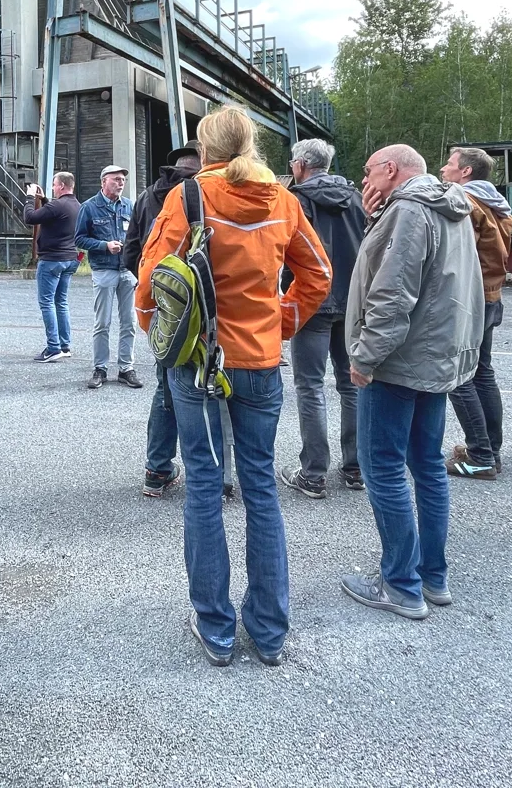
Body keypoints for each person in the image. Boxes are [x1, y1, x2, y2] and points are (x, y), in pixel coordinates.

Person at [137, 106, 330, 666]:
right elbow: (317, 273)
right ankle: (269, 632)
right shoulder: (283, 199)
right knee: (262, 488)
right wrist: (281, 320)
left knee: (202, 483)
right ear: (250, 145)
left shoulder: (188, 197)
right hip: (260, 361)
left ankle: (217, 628)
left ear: (206, 147)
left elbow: (150, 280)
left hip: (197, 357)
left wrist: (160, 332)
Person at [342, 145, 481, 620]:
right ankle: (431, 576)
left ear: (391, 169)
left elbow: (392, 291)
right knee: (426, 464)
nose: (365, 178)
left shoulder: (408, 211)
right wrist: (372, 220)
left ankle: (401, 584)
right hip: (437, 356)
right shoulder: (451, 205)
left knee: (382, 466)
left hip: (400, 360)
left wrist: (365, 356)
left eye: (368, 170)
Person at [278, 138, 368, 499]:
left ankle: (313, 473)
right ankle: (355, 467)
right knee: (352, 385)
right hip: (353, 303)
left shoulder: (296, 200)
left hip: (310, 301)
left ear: (300, 164)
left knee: (310, 387)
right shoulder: (358, 198)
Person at [124, 142, 201, 497]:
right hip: (211, 307)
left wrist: (154, 292)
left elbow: (132, 251)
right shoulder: (209, 191)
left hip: (165, 309)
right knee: (213, 388)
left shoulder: (147, 196)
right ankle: (216, 476)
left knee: (167, 386)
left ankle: (157, 471)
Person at [438, 146, 512, 480]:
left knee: (459, 376)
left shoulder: (464, 203)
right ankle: (489, 449)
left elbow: (456, 254)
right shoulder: (495, 203)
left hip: (468, 299)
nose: (443, 169)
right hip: (491, 295)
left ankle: (481, 456)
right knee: (482, 372)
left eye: (451, 165)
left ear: (465, 172)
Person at [77, 164, 143, 390]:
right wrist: (104, 246)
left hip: (127, 272)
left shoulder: (130, 206)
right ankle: (100, 369)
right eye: (116, 179)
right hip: (104, 270)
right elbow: (79, 239)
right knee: (102, 323)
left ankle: (126, 368)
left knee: (129, 322)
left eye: (123, 179)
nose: (121, 183)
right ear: (103, 182)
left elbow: (139, 236)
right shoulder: (89, 207)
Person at [21, 171, 81, 362]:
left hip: (52, 259)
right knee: (61, 302)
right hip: (70, 258)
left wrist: (30, 197)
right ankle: (64, 345)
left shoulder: (58, 205)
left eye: (54, 185)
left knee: (46, 303)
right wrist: (44, 198)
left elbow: (30, 217)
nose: (53, 188)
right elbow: (54, 213)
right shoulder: (76, 205)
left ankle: (53, 347)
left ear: (62, 186)